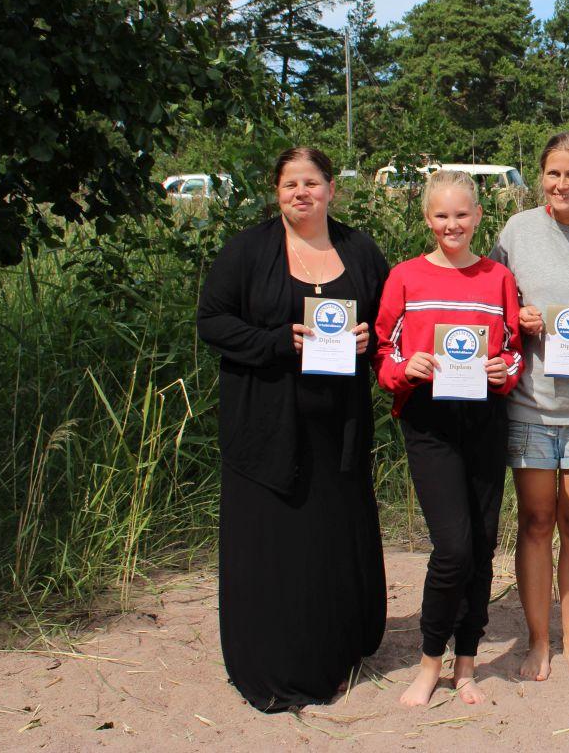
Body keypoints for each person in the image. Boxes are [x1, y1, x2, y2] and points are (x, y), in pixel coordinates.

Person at [196, 146, 388, 712]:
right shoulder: (248, 251)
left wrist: (369, 338)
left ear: (332, 188)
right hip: (266, 425)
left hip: (338, 427)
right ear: (276, 192)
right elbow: (212, 322)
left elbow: (389, 319)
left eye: (311, 182)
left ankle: (335, 652)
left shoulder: (358, 248)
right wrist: (279, 341)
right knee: (274, 546)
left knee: (328, 540)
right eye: (289, 185)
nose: (300, 193)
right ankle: (274, 664)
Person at [375, 170, 523, 708]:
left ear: (479, 217)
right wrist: (405, 368)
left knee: (482, 544)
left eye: (462, 214)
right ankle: (428, 662)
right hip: (430, 422)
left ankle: (466, 663)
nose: (452, 224)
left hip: (484, 420)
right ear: (427, 219)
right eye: (442, 215)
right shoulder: (405, 277)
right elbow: (382, 352)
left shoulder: (497, 279)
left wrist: (500, 371)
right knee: (453, 547)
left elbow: (513, 351)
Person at [491, 132, 569, 682]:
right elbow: (490, 299)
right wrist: (518, 315)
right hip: (531, 406)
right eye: (552, 173)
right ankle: (539, 641)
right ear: (540, 176)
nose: (561, 184)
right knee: (538, 521)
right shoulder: (517, 231)